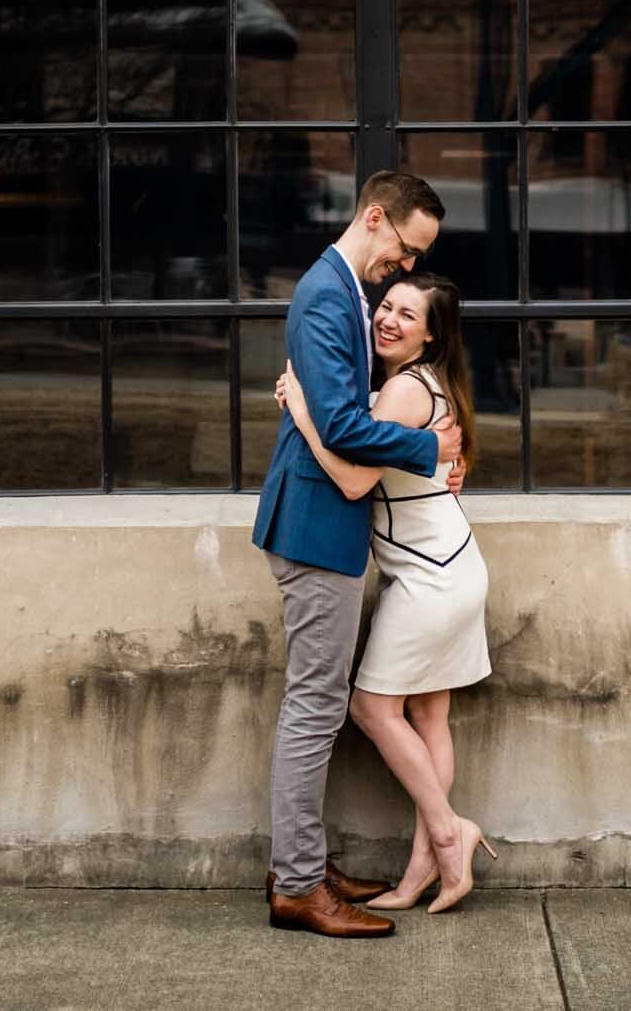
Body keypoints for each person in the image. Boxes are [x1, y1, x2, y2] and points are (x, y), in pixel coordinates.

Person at [251, 171, 462, 939]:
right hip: (313, 527)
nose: (405, 269)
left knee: (318, 705)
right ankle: (300, 886)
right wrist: (427, 446)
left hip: (322, 525)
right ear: (376, 218)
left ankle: (301, 863)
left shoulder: (341, 290)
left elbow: (332, 414)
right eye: (406, 250)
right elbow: (340, 424)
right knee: (314, 708)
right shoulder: (323, 293)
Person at [278, 272, 495, 916]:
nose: (389, 319)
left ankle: (450, 833)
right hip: (449, 565)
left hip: (431, 576)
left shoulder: (403, 388)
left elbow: (350, 482)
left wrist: (302, 412)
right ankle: (424, 866)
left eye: (408, 314)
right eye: (386, 305)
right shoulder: (422, 382)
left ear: (431, 334)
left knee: (373, 709)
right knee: (428, 717)